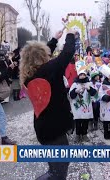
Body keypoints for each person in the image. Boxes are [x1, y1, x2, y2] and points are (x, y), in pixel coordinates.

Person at [20, 30, 76, 179]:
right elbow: (67, 53)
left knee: (56, 165)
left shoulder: (30, 74)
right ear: (42, 56)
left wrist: (54, 40)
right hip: (54, 130)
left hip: (44, 128)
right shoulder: (50, 70)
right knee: (59, 170)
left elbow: (41, 56)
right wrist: (71, 35)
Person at [69, 68, 97, 142]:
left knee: (85, 121)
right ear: (78, 76)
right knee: (78, 121)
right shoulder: (75, 84)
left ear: (86, 75)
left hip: (86, 107)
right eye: (81, 75)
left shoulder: (89, 84)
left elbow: (94, 94)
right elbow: (71, 95)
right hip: (77, 107)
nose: (82, 76)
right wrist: (75, 91)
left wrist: (89, 89)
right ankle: (78, 135)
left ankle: (84, 134)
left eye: (83, 75)